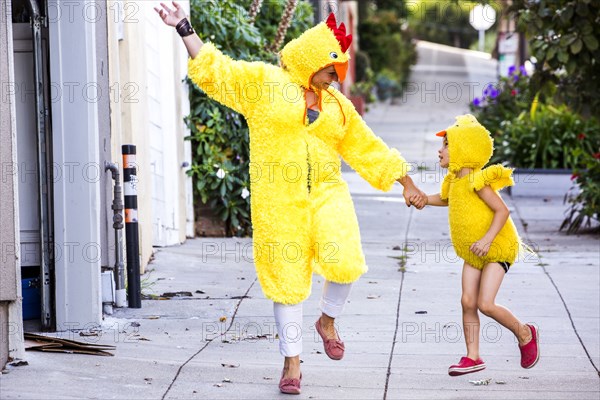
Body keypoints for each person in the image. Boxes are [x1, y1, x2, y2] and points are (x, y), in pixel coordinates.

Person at [155, 2, 427, 394]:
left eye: (338, 73)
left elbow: (367, 146)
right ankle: (292, 363)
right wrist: (184, 27)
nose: (334, 79)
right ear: (311, 60)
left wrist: (406, 182)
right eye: (330, 71)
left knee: (345, 260)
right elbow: (219, 73)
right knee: (286, 282)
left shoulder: (338, 106)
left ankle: (328, 320)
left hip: (328, 193)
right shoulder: (265, 85)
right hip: (279, 200)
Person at [424, 114, 540, 376]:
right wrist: (422, 199)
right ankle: (472, 357)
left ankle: (524, 333)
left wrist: (487, 240)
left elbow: (502, 211)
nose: (439, 150)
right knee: (467, 301)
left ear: (464, 148)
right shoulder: (454, 181)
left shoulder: (479, 181)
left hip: (497, 246)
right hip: (474, 251)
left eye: (446, 145)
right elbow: (446, 199)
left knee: (485, 303)